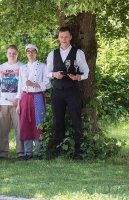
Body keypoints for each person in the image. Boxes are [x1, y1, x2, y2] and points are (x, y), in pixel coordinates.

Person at [46, 26, 89, 160]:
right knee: (58, 120)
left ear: (70, 37)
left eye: (66, 36)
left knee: (76, 119)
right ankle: (59, 152)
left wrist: (78, 77)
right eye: (61, 36)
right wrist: (54, 74)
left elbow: (86, 71)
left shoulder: (78, 52)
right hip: (58, 91)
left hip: (72, 90)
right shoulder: (52, 54)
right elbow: (47, 72)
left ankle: (79, 152)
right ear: (58, 37)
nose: (63, 39)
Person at [16, 44, 51, 160]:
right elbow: (20, 86)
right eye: (28, 51)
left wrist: (34, 84)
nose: (30, 54)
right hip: (25, 97)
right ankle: (27, 153)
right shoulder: (22, 68)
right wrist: (18, 104)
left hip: (38, 97)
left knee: (39, 123)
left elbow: (48, 83)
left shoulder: (43, 66)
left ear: (36, 53)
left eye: (33, 51)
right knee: (25, 123)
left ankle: (40, 152)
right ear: (26, 53)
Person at [0, 44, 25, 159]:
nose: (12, 54)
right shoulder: (0, 67)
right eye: (10, 52)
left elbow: (25, 86)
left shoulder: (23, 67)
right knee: (2, 130)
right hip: (3, 103)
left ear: (17, 54)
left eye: (14, 52)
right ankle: (2, 154)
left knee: (20, 129)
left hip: (18, 103)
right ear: (6, 54)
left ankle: (21, 153)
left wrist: (19, 99)